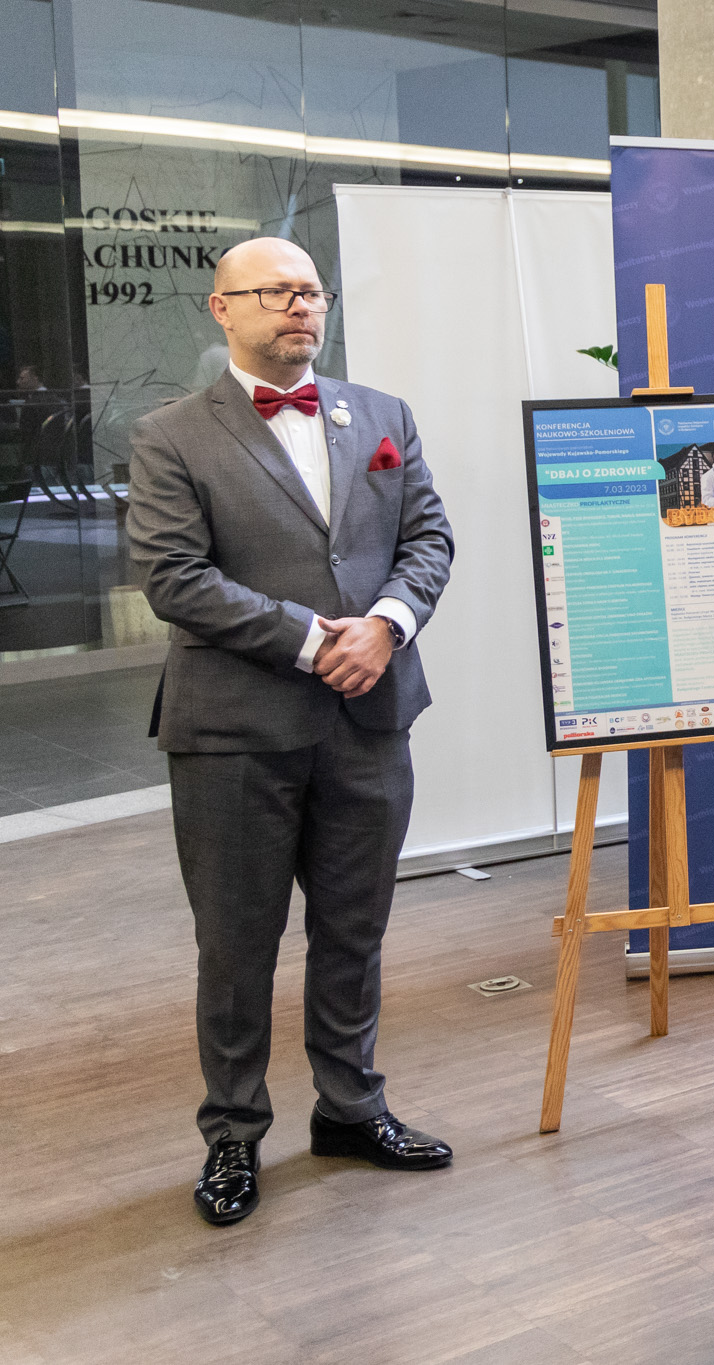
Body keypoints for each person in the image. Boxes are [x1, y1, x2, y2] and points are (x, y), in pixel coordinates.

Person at [126, 237, 458, 1227]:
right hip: (235, 729)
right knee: (237, 943)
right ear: (221, 308)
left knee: (354, 927)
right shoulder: (171, 435)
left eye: (311, 291)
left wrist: (387, 624)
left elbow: (428, 538)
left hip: (371, 718)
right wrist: (317, 642)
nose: (299, 307)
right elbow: (174, 577)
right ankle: (233, 1132)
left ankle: (351, 1108)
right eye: (274, 292)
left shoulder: (383, 416)